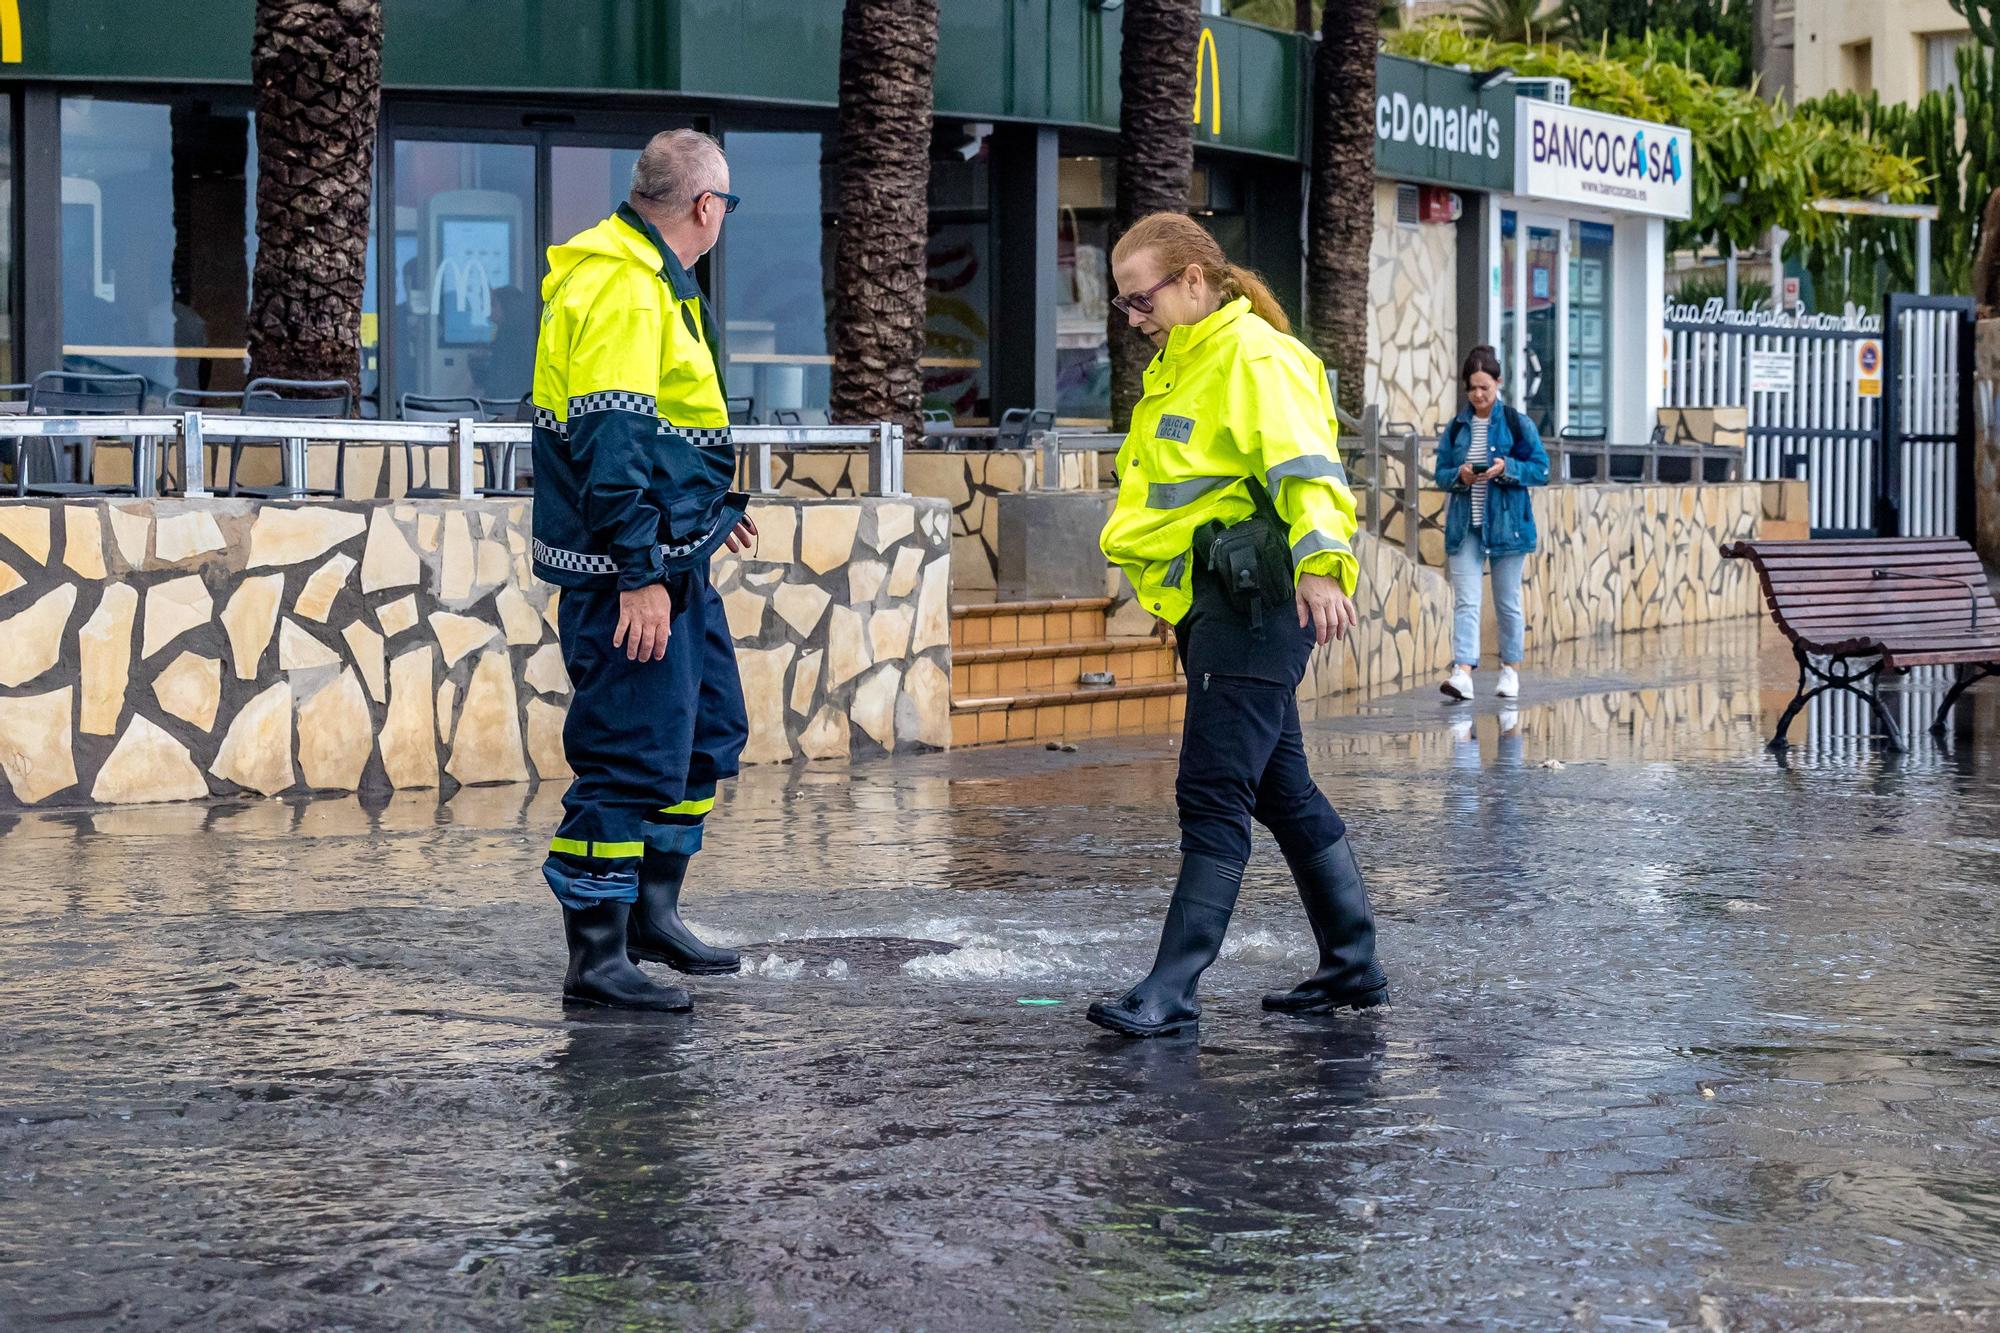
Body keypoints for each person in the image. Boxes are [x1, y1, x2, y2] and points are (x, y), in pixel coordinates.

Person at [1086, 212, 1388, 1039]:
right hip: (1217, 602)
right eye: (1122, 304)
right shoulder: (1184, 366)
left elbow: (1309, 472)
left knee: (1214, 789)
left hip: (1258, 602)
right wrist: (1172, 598)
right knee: (1281, 790)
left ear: (1192, 281)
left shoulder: (1254, 357)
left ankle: (1171, 989)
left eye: (1140, 298)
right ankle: (1352, 965)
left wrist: (1325, 565)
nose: (1132, 316)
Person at [530, 129, 757, 1012]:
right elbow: (613, 441)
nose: (723, 219)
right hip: (631, 570)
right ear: (706, 207)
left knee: (705, 735)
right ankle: (595, 955)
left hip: (672, 553)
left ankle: (648, 916)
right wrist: (638, 572)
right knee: (628, 756)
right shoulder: (624, 286)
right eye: (726, 205)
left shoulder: (649, 271)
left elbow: (662, 433)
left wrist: (708, 515)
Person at [1433, 346, 1548, 704]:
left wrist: (1507, 469)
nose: (1478, 395)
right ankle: (1463, 673)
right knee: (1466, 602)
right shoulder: (1457, 427)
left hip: (1508, 528)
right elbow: (1440, 474)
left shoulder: (1516, 422)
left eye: (1485, 387)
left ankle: (1510, 670)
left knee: (1507, 603)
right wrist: (1461, 476)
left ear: (1498, 382)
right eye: (1472, 388)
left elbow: (1542, 469)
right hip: (1466, 526)